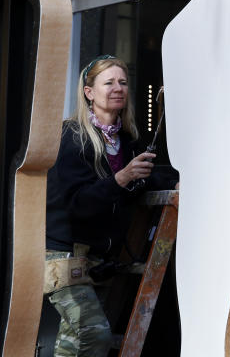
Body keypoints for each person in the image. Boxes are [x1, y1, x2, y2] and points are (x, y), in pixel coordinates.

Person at [45, 55, 174, 357]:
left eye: (123, 82)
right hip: (63, 256)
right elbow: (76, 203)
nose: (118, 88)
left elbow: (145, 176)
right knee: (95, 334)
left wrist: (179, 180)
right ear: (89, 92)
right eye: (109, 82)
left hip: (99, 259)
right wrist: (120, 178)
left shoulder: (127, 139)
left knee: (72, 344)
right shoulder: (70, 136)